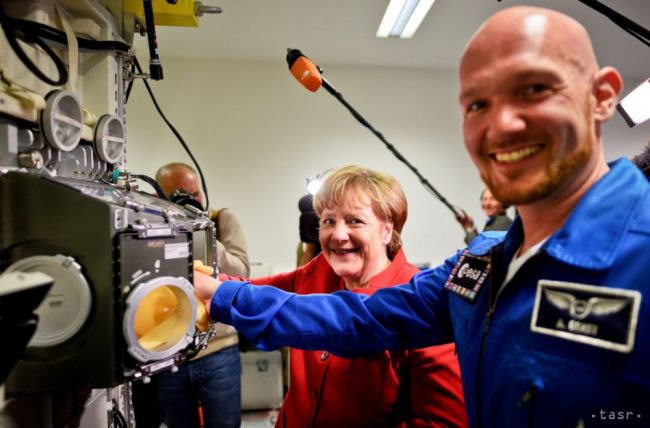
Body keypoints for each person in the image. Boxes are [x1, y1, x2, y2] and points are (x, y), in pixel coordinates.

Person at [194, 6, 650, 428]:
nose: (502, 124)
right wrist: (214, 293)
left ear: (603, 97)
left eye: (534, 89)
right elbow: (362, 319)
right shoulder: (481, 263)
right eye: (477, 104)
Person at [222, 166, 467, 427]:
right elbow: (254, 290)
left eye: (355, 221)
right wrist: (203, 284)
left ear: (387, 230)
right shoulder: (317, 272)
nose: (338, 235)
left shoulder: (421, 305)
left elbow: (443, 422)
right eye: (328, 221)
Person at [156, 162, 250, 428]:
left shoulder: (221, 220)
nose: (191, 200)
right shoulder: (153, 226)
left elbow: (241, 271)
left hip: (219, 352)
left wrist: (202, 230)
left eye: (195, 194)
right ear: (159, 196)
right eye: (179, 195)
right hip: (170, 355)